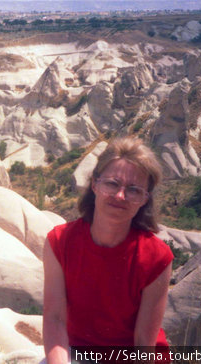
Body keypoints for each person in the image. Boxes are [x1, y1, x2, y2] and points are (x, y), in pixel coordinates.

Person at [43, 137, 173, 364]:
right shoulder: (60, 242)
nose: (120, 196)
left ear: (144, 200)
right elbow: (54, 319)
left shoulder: (156, 257)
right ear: (95, 184)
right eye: (112, 184)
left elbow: (144, 343)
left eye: (134, 190)